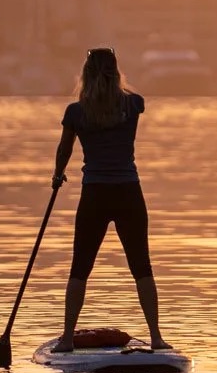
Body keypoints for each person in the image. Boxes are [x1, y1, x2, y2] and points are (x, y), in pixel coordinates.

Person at [51, 47, 169, 352]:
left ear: (86, 75)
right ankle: (156, 338)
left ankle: (66, 340)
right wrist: (113, 81)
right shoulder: (132, 105)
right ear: (116, 73)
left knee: (80, 267)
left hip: (95, 195)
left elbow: (64, 150)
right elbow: (129, 95)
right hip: (129, 192)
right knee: (141, 266)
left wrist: (57, 175)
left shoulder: (76, 112)